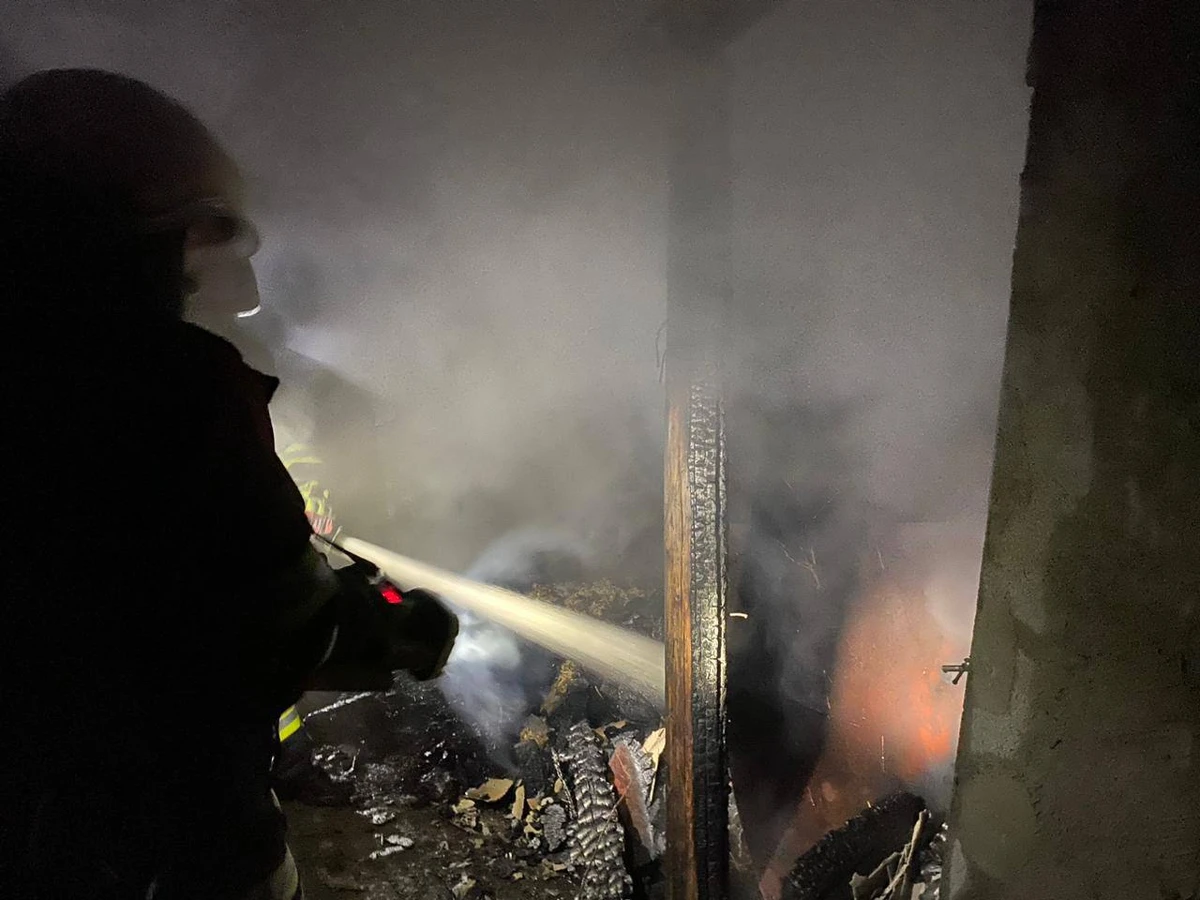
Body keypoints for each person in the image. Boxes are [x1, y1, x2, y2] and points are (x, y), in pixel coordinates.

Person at [0, 68, 456, 900]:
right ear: (130, 243)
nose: (185, 285)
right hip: (164, 840)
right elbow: (277, 622)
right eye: (179, 257)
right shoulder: (171, 392)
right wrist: (394, 626)